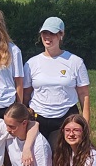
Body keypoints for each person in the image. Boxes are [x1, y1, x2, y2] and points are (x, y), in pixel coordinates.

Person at [23, 17, 90, 153]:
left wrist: (85, 124)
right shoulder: (31, 63)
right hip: (37, 119)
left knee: (60, 156)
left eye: (52, 33)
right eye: (44, 33)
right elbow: (26, 93)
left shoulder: (75, 62)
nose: (47, 37)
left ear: (61, 35)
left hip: (65, 118)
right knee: (38, 156)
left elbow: (84, 94)